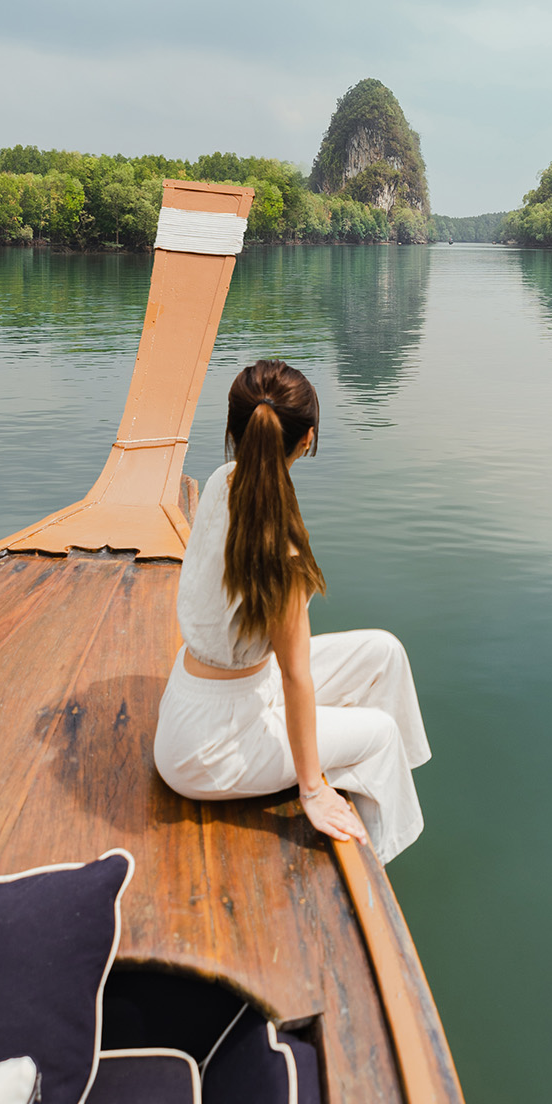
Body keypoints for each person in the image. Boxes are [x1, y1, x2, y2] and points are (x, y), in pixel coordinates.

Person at [153, 358, 430, 863]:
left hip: (218, 695)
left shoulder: (222, 481)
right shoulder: (281, 553)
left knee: (384, 653)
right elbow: (295, 676)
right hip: (210, 747)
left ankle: (380, 792)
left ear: (236, 433)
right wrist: (311, 790)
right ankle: (376, 869)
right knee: (382, 734)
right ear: (306, 441)